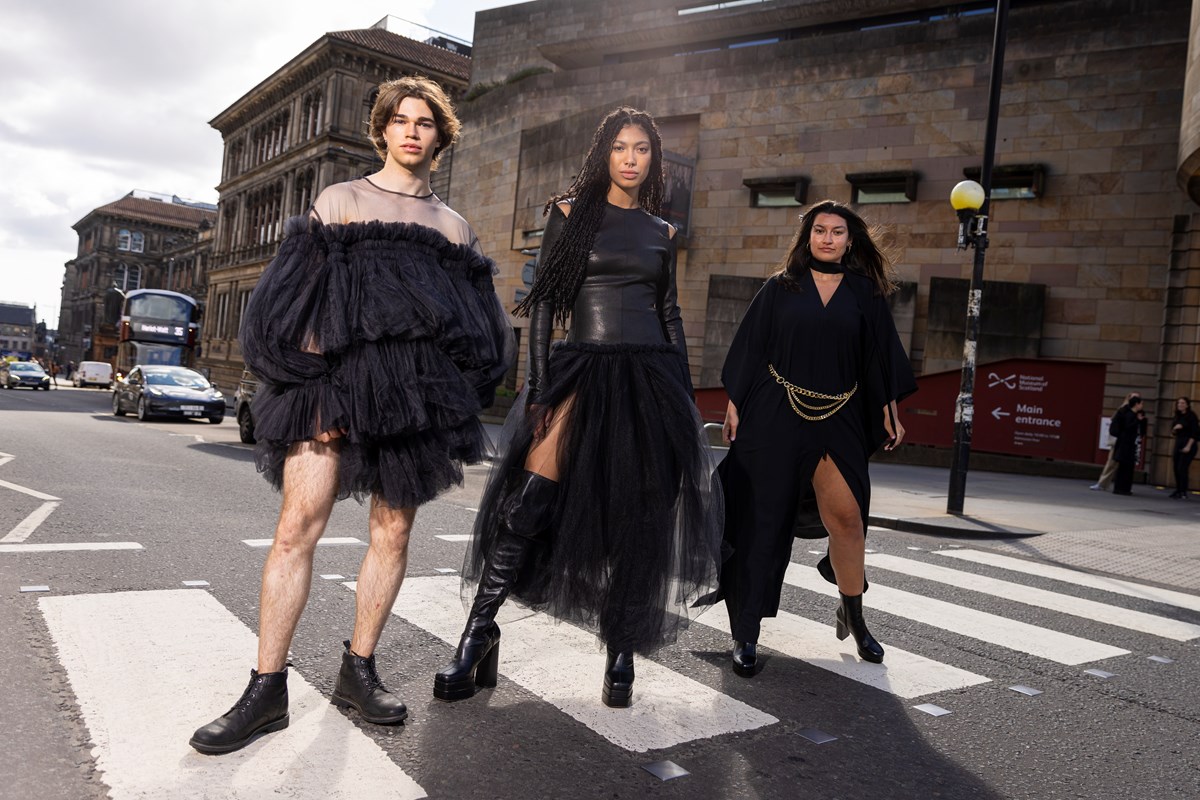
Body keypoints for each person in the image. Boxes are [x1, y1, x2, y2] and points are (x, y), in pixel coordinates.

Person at [190, 76, 514, 755]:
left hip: (410, 399)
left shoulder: (454, 229)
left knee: (392, 536)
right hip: (331, 387)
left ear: (440, 137)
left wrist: (443, 390)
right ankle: (266, 688)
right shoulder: (340, 201)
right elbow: (298, 299)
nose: (412, 131)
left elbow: (476, 330)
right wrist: (318, 385)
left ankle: (357, 669)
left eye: (425, 122)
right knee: (295, 530)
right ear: (382, 130)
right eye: (400, 120)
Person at [434, 107, 721, 708]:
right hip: (581, 370)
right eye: (621, 147)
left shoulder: (662, 232)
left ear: (654, 159)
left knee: (638, 519)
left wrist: (683, 398)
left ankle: (621, 651)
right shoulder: (568, 214)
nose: (631, 159)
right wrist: (538, 386)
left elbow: (669, 314)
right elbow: (543, 306)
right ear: (604, 154)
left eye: (642, 149)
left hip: (650, 376)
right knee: (527, 502)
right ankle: (478, 634)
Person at [713, 200, 916, 676]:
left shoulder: (866, 292)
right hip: (774, 411)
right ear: (808, 237)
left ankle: (854, 611)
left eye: (837, 231)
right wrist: (735, 402)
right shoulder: (780, 287)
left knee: (848, 517)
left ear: (850, 239)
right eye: (819, 230)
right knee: (764, 520)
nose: (828, 238)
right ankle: (746, 631)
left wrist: (890, 408)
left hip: (840, 414)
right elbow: (750, 347)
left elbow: (881, 356)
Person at [1090, 392, 1141, 491]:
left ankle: (1115, 485)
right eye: (1132, 397)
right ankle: (1102, 483)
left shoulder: (1137, 412)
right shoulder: (1124, 409)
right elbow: (1114, 419)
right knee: (1111, 462)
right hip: (1119, 441)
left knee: (1119, 464)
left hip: (1129, 442)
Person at [1109, 394, 1146, 496]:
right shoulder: (1129, 414)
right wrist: (1137, 420)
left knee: (1128, 468)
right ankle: (1121, 488)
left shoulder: (1136, 415)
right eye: (1141, 404)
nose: (1142, 406)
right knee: (1124, 468)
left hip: (1130, 444)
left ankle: (1124, 488)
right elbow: (1127, 427)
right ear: (1136, 404)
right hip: (1125, 445)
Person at [1169, 396, 1198, 499]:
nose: (1180, 405)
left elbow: (1195, 434)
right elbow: (1173, 431)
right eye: (1179, 403)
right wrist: (1175, 429)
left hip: (1188, 443)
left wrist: (1188, 446)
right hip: (1179, 442)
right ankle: (1178, 489)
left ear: (1187, 405)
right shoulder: (1177, 416)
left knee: (1182, 467)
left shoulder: (1191, 416)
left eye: (1182, 403)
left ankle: (1183, 491)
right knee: (1176, 466)